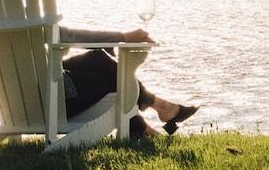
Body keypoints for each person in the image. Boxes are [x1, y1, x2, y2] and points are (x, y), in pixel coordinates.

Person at [56, 25, 200, 139]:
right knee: (112, 82)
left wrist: (122, 37)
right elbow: (67, 36)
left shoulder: (34, 20)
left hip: (44, 86)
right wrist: (123, 37)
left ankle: (152, 114)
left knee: (97, 58)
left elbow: (65, 35)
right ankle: (151, 116)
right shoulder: (37, 18)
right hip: (54, 97)